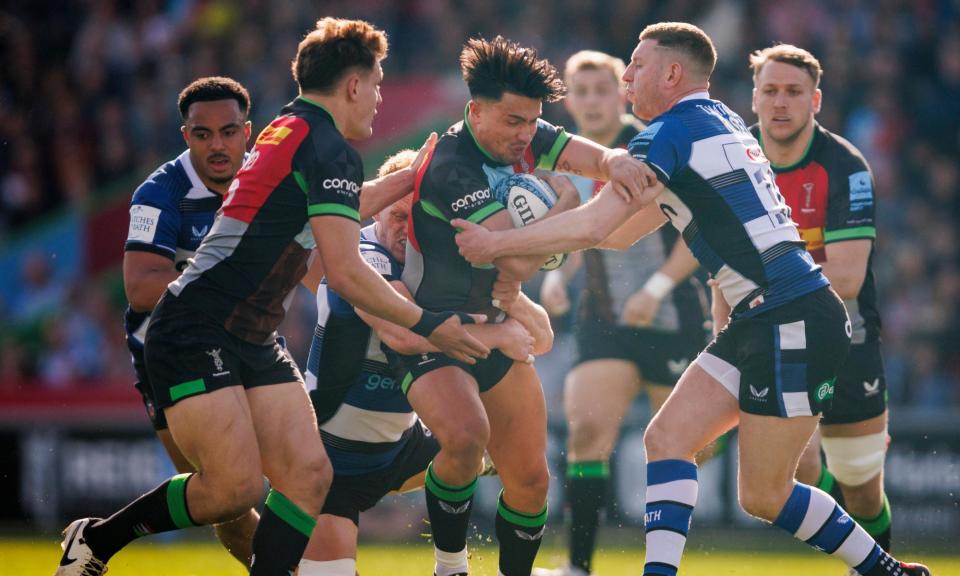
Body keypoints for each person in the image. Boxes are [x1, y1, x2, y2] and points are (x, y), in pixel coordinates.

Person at [452, 22, 930, 576]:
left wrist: (499, 242)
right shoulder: (714, 121)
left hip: (789, 315)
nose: (626, 75)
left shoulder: (671, 133)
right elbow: (618, 232)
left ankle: (886, 571)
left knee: (766, 495)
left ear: (672, 73)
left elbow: (597, 225)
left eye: (635, 63)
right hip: (766, 316)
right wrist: (554, 213)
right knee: (668, 437)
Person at [55, 17, 486, 576]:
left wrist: (409, 178)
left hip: (251, 336)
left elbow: (334, 209)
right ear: (353, 85)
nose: (379, 97)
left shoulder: (291, 129)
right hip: (196, 327)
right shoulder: (327, 148)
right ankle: (97, 539)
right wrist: (432, 324)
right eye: (377, 82)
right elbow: (348, 274)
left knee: (310, 474)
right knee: (233, 491)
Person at [401, 35, 657, 576]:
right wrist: (567, 207)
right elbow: (514, 264)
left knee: (532, 481)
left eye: (532, 123)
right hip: (437, 335)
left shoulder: (523, 130)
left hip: (500, 327)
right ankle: (450, 567)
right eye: (514, 122)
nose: (526, 135)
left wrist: (614, 160)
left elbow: (588, 156)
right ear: (475, 111)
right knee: (467, 437)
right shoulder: (452, 168)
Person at [298, 149, 539, 576]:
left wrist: (509, 284)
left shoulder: (434, 269)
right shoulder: (361, 253)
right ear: (377, 213)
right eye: (395, 216)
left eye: (414, 220)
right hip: (329, 467)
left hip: (401, 455)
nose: (404, 230)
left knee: (472, 440)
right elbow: (403, 335)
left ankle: (453, 566)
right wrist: (499, 333)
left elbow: (541, 335)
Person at [530, 51, 706, 576]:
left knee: (690, 444)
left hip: (674, 316)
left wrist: (655, 286)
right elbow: (582, 233)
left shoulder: (653, 141)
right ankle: (578, 567)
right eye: (578, 92)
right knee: (586, 433)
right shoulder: (564, 160)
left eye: (599, 90)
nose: (589, 101)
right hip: (604, 321)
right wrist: (557, 278)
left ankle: (670, 554)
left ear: (620, 91)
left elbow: (697, 230)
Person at [749, 44, 894, 564]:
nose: (780, 103)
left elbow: (849, 278)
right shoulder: (731, 159)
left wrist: (759, 290)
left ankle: (880, 566)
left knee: (861, 487)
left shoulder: (846, 166)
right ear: (754, 98)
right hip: (766, 337)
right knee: (800, 471)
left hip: (845, 336)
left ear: (816, 100)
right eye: (770, 91)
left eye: (793, 92)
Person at [121, 76, 259, 566]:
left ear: (248, 132)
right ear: (186, 136)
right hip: (170, 356)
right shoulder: (160, 193)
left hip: (245, 343)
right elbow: (138, 289)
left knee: (305, 466)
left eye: (228, 131)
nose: (217, 145)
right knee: (226, 501)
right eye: (203, 135)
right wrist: (221, 276)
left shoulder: (266, 180)